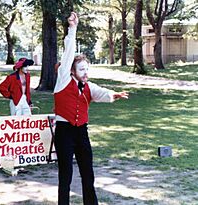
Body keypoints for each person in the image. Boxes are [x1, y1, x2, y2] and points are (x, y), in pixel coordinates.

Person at [53, 12, 128, 205]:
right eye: (81, 69)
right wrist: (72, 29)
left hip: (81, 132)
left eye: (87, 69)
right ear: (72, 70)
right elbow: (68, 53)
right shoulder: (62, 80)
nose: (85, 73)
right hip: (64, 132)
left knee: (88, 172)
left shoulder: (88, 86)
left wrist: (114, 95)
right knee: (66, 175)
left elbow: (101, 92)